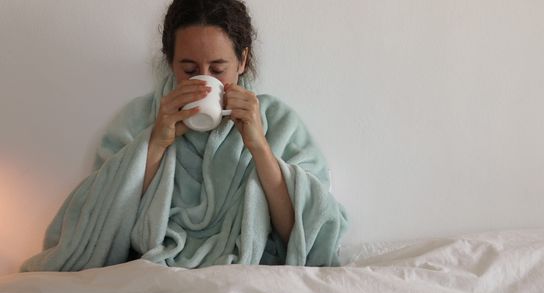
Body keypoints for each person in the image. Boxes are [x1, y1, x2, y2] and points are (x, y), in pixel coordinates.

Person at [20, 0, 348, 272]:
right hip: (154, 271)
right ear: (170, 62)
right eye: (189, 70)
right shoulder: (139, 119)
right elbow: (99, 222)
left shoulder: (277, 121)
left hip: (244, 275)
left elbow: (310, 237)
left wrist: (258, 146)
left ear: (242, 60)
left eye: (218, 69)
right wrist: (154, 144)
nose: (204, 81)